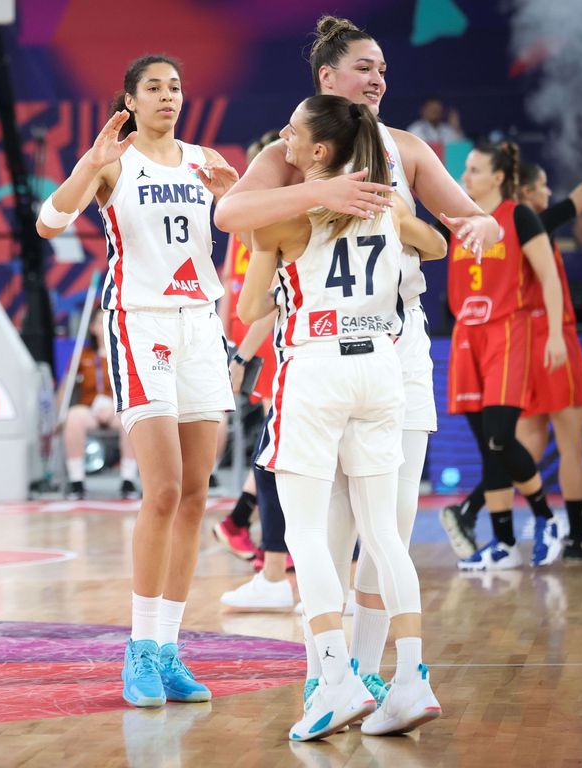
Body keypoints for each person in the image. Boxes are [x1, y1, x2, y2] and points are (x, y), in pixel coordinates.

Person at [216, 15, 504, 711]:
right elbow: (231, 211)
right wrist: (324, 192)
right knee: (336, 525)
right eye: (364, 68)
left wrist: (477, 223)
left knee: (389, 525)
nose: (378, 79)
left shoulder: (405, 148)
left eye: (382, 69)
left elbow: (467, 225)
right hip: (319, 347)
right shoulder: (297, 150)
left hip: (396, 351)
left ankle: (375, 675)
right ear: (327, 78)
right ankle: (331, 676)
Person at [37, 54, 239, 708]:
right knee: (164, 489)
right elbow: (49, 222)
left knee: (196, 495)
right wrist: (87, 166)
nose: (167, 96)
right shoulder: (116, 160)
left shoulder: (205, 159)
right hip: (140, 322)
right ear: (129, 97)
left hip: (200, 324)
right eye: (153, 87)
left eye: (175, 86)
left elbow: (246, 227)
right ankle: (138, 646)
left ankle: (169, 650)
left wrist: (235, 190)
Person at [242, 95, 445, 740]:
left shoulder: (286, 220)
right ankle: (411, 679)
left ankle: (335, 681)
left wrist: (268, 229)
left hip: (318, 367)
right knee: (383, 533)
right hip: (381, 370)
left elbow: (250, 308)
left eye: (294, 133)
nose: (283, 137)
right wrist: (397, 214)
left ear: (320, 152)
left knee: (306, 531)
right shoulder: (386, 201)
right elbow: (436, 245)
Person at [438, 101, 582, 561]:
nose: (550, 192)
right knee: (533, 442)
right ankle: (533, 530)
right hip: (505, 340)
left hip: (520, 340)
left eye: (473, 169)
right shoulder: (495, 217)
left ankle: (512, 518)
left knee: (519, 441)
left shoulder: (524, 220)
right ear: (526, 187)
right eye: (544, 186)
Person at [446, 142, 570, 571]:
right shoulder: (457, 218)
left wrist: (555, 333)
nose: (466, 178)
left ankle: (547, 518)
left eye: (476, 170)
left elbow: (549, 277)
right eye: (466, 171)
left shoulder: (519, 215)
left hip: (507, 331)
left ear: (498, 177)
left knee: (501, 435)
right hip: (467, 335)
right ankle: (502, 541)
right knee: (487, 446)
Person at [212, 131, 282, 564]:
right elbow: (230, 282)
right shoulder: (257, 219)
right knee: (280, 432)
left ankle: (245, 524)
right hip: (262, 334)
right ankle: (248, 528)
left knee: (280, 431)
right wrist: (233, 345)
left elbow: (227, 282)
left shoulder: (255, 216)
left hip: (253, 335)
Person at [62, 306, 140, 501]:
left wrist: (114, 407)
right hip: (90, 410)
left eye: (109, 321)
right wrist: (59, 413)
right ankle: (76, 482)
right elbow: (66, 387)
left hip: (117, 410)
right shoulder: (84, 355)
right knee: (73, 418)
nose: (104, 326)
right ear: (93, 328)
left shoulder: (125, 355)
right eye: (99, 322)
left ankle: (128, 480)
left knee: (130, 419)